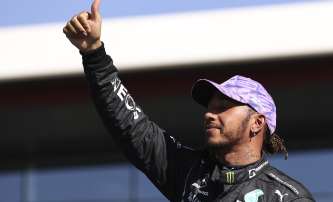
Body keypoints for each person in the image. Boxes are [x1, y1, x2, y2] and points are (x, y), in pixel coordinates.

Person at [63, 0, 315, 201]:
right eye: (210, 107)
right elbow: (131, 126)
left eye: (224, 107)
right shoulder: (189, 172)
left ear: (257, 123)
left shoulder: (286, 197)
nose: (210, 114)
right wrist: (94, 53)